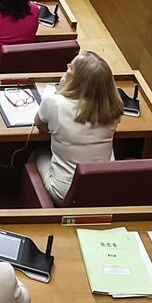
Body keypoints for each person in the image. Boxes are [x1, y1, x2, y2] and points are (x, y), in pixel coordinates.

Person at [36, 52, 124, 201]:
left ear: (77, 81)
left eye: (70, 68)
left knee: (37, 153)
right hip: (104, 189)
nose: (67, 67)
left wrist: (62, 88)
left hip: (66, 194)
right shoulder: (114, 106)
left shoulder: (54, 102)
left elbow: (41, 126)